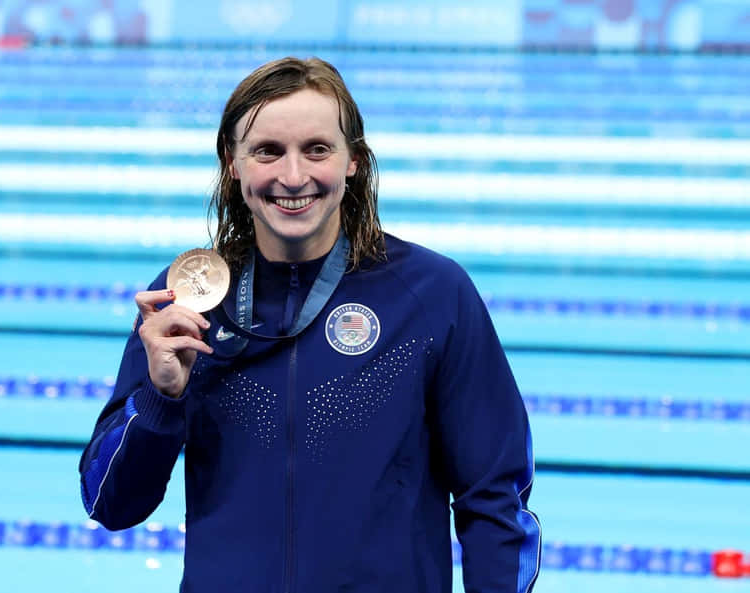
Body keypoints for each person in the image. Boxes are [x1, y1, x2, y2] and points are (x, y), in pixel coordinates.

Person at [79, 56, 541, 592]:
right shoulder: (189, 302)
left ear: (353, 161)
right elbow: (109, 503)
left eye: (316, 149)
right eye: (267, 151)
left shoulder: (432, 294)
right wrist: (161, 400)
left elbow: (495, 499)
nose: (292, 177)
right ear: (233, 162)